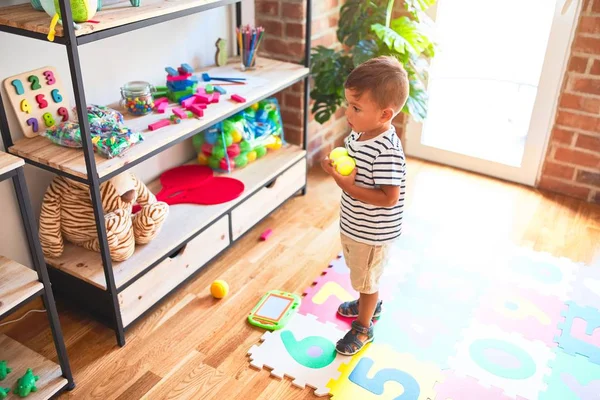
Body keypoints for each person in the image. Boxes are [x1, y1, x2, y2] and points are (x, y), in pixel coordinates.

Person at [321, 56, 408, 355]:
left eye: (356, 108)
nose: (348, 113)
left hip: (373, 232)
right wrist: (338, 167)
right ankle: (366, 304)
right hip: (357, 224)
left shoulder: (387, 150)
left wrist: (346, 185)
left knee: (367, 279)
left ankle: (363, 326)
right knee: (360, 273)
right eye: (349, 104)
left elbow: (389, 197)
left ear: (384, 114)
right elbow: (356, 166)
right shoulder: (361, 133)